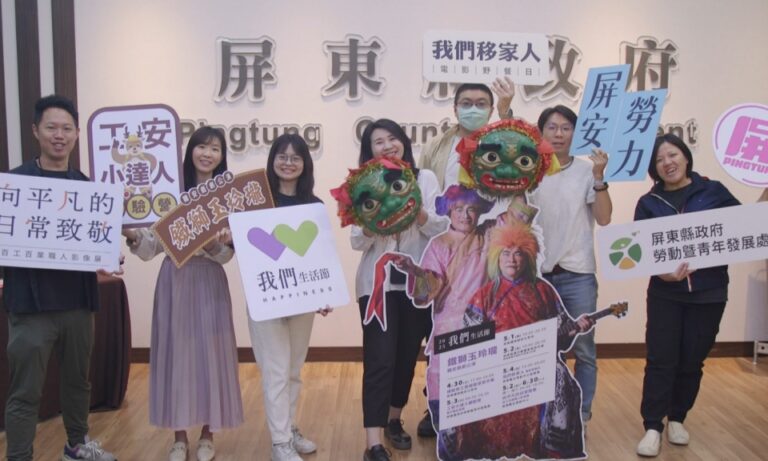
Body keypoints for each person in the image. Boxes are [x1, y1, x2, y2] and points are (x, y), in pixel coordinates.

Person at [3, 95, 118, 461]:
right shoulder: (13, 185)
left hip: (77, 304)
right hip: (30, 306)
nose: (59, 135)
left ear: (76, 134)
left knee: (77, 383)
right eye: (51, 127)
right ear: (35, 130)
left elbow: (97, 243)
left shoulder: (87, 188)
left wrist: (105, 256)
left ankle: (76, 446)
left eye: (67, 128)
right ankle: (19, 455)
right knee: (25, 391)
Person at [122, 126, 243, 461]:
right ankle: (178, 437)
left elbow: (227, 255)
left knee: (211, 356)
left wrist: (216, 244)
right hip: (174, 280)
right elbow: (150, 247)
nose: (207, 154)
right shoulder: (170, 194)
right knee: (176, 357)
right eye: (202, 146)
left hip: (209, 281)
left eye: (215, 148)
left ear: (222, 156)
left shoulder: (228, 198)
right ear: (190, 152)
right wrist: (129, 231)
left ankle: (207, 434)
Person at [633, 134, 740, 457]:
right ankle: (653, 426)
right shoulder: (649, 203)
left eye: (673, 155)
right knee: (661, 359)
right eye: (659, 160)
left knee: (693, 360)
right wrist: (660, 272)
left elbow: (743, 228)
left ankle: (678, 418)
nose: (667, 163)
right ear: (654, 168)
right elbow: (640, 250)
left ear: (685, 156)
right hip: (666, 293)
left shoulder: (713, 191)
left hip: (710, 292)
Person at [450, 223, 591, 460]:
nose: (512, 260)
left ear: (528, 258)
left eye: (518, 254)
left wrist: (574, 329)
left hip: (537, 363)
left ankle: (553, 445)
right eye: (506, 253)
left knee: (559, 376)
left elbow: (561, 341)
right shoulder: (484, 295)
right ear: (497, 258)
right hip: (495, 364)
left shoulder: (543, 291)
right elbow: (468, 342)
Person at [352, 119, 447, 461]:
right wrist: (373, 221)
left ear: (404, 142)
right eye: (378, 141)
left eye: (392, 138)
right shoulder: (363, 185)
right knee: (379, 359)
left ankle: (394, 420)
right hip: (375, 285)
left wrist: (416, 212)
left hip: (416, 285)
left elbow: (441, 226)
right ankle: (373, 442)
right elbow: (356, 241)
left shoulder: (425, 179)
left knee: (407, 356)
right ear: (370, 151)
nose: (387, 145)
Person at [526, 104, 612, 425]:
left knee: (584, 348)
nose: (559, 133)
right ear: (541, 132)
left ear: (575, 133)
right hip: (538, 276)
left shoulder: (587, 171)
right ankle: (545, 416)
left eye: (566, 128)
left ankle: (581, 415)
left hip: (578, 275)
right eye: (552, 127)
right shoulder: (530, 171)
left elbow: (604, 218)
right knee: (540, 350)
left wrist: (599, 178)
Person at [248, 134, 331, 461]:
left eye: (295, 157)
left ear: (305, 164)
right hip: (266, 298)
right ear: (272, 161)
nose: (288, 162)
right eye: (281, 156)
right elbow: (248, 250)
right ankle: (280, 442)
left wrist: (324, 291)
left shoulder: (314, 205)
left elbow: (320, 255)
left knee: (294, 369)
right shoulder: (256, 202)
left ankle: (289, 427)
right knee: (276, 372)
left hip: (302, 299)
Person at [419, 78, 515, 190]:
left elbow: (517, 150)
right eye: (466, 103)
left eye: (481, 104)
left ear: (491, 111)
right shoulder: (434, 146)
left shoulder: (501, 144)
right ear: (455, 110)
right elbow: (421, 187)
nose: (473, 109)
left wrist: (505, 112)